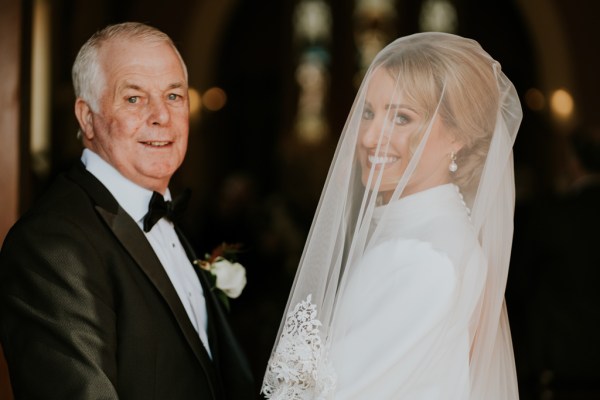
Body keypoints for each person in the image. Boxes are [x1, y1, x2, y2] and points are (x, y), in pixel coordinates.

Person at [0, 22, 254, 399]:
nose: (161, 116)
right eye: (134, 98)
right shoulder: (53, 246)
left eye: (173, 96)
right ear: (87, 118)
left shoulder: (164, 216)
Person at [261, 32, 522, 399]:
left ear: (457, 136)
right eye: (368, 112)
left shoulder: (419, 257)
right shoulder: (434, 233)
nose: (369, 137)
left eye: (401, 118)